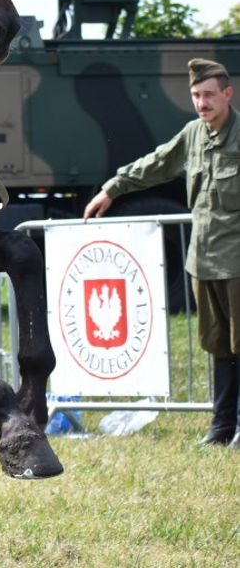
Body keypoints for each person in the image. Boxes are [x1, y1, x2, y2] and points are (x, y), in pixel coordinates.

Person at [84, 58, 240, 448]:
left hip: (238, 262)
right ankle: (221, 429)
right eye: (196, 96)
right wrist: (112, 189)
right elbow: (155, 164)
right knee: (218, 346)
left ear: (227, 94)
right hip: (203, 261)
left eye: (209, 95)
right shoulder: (193, 135)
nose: (202, 103)